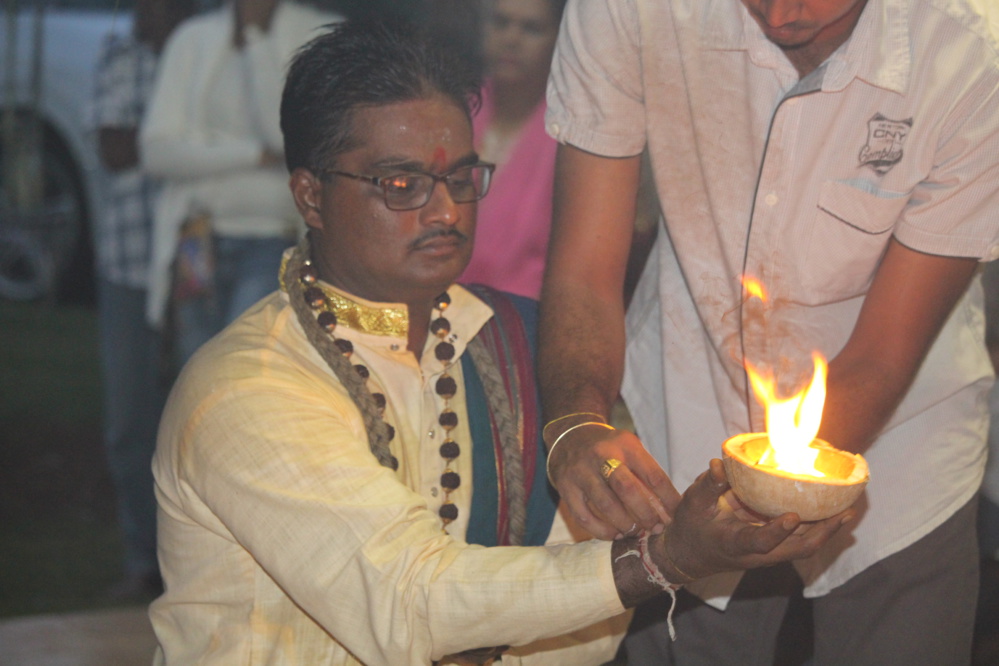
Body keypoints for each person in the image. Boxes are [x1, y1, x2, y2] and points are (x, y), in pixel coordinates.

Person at [148, 19, 850, 665]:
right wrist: (664, 557)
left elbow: (579, 621)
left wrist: (729, 520)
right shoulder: (249, 392)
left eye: (461, 178)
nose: (447, 209)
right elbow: (411, 603)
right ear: (309, 197)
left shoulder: (522, 346)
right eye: (402, 183)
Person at [538, 0, 999, 663]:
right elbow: (584, 268)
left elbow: (880, 356)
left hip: (898, 452)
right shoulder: (629, 9)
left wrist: (741, 501)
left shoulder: (968, 49)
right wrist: (576, 424)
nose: (780, 14)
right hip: (681, 410)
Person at [140, 0, 339, 369]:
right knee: (195, 371)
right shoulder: (192, 38)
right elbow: (157, 153)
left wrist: (257, 39)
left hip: (274, 242)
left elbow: (289, 141)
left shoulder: (316, 33)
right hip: (197, 238)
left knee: (243, 368)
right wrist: (252, 155)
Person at [90, 0, 195, 601]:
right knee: (130, 424)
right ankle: (142, 561)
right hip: (128, 268)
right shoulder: (119, 55)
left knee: (196, 426)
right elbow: (114, 149)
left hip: (197, 270)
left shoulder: (210, 51)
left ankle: (191, 568)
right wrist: (186, 142)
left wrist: (174, 142)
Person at [457, 0, 564, 299]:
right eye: (501, 23)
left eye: (531, 28)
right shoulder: (456, 111)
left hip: (523, 317)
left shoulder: (569, 134)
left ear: (559, 38)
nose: (511, 39)